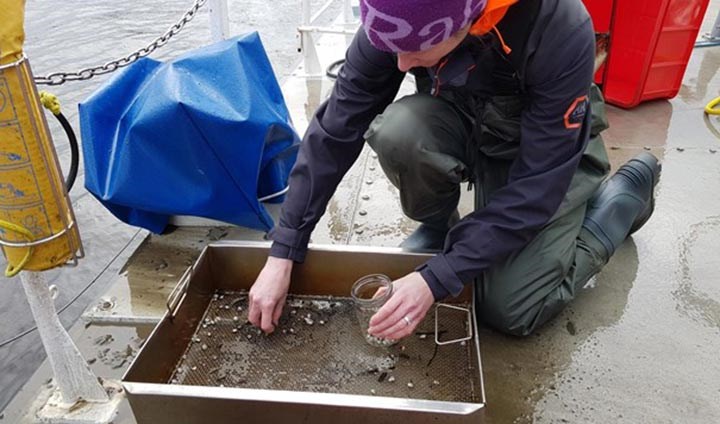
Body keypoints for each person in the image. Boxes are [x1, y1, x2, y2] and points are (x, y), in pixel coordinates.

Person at [248, 0, 660, 339]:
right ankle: (440, 227)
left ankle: (619, 202)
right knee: (398, 131)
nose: (403, 65)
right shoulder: (395, 18)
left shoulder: (560, 27)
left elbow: (538, 186)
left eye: (416, 52)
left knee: (510, 308)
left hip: (539, 156)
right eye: (393, 50)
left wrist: (437, 278)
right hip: (464, 119)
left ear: (467, 20)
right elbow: (335, 130)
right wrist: (284, 249)